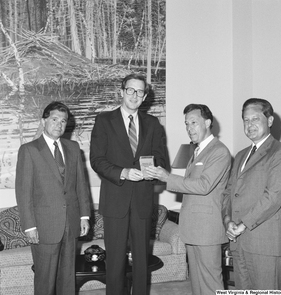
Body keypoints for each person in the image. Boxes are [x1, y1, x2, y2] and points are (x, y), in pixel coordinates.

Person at [90, 73, 166, 295]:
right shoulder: (104, 120)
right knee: (114, 263)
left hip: (142, 202)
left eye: (140, 91)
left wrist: (150, 171)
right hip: (115, 201)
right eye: (130, 90)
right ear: (121, 92)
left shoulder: (153, 124)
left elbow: (160, 159)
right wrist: (122, 172)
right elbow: (97, 160)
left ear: (144, 97)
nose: (135, 95)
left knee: (141, 262)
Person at [146, 104, 232, 295]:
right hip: (194, 228)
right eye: (186, 124)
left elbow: (203, 186)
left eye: (194, 122)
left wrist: (167, 177)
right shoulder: (198, 151)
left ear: (208, 123)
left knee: (210, 282)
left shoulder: (219, 151)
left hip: (207, 230)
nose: (189, 128)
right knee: (197, 283)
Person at [15, 101, 91, 295]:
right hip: (43, 226)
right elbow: (23, 192)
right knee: (45, 279)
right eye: (54, 119)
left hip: (71, 222)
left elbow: (81, 185)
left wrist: (84, 216)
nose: (59, 124)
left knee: (67, 278)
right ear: (43, 121)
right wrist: (29, 226)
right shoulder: (29, 150)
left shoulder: (73, 148)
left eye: (63, 121)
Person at [222, 98, 281, 290]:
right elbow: (229, 192)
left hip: (265, 244)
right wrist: (228, 220)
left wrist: (243, 225)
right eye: (246, 120)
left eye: (255, 119)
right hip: (239, 242)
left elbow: (273, 197)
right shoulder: (240, 155)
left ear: (270, 121)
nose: (250, 125)